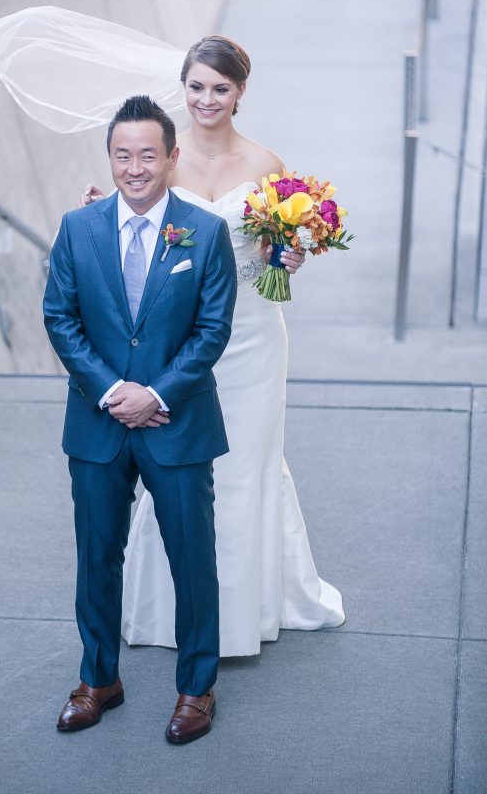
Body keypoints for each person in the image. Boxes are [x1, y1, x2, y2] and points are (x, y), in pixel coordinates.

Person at [80, 35, 345, 657]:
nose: (207, 99)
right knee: (175, 464)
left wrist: (291, 255)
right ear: (183, 87)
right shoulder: (161, 160)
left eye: (220, 89)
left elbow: (275, 265)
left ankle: (243, 612)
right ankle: (164, 610)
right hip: (178, 338)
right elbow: (133, 221)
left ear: (240, 94)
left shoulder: (267, 164)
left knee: (244, 464)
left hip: (253, 337)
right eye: (196, 86)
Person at [43, 95, 237, 743]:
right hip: (97, 426)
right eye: (122, 155)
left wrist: (154, 394)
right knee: (95, 556)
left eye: (147, 154)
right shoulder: (77, 228)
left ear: (172, 158)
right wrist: (109, 391)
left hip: (175, 424)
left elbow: (212, 330)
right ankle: (99, 679)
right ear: (109, 158)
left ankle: (195, 689)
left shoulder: (203, 233)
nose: (134, 167)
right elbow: (60, 318)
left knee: (192, 558)